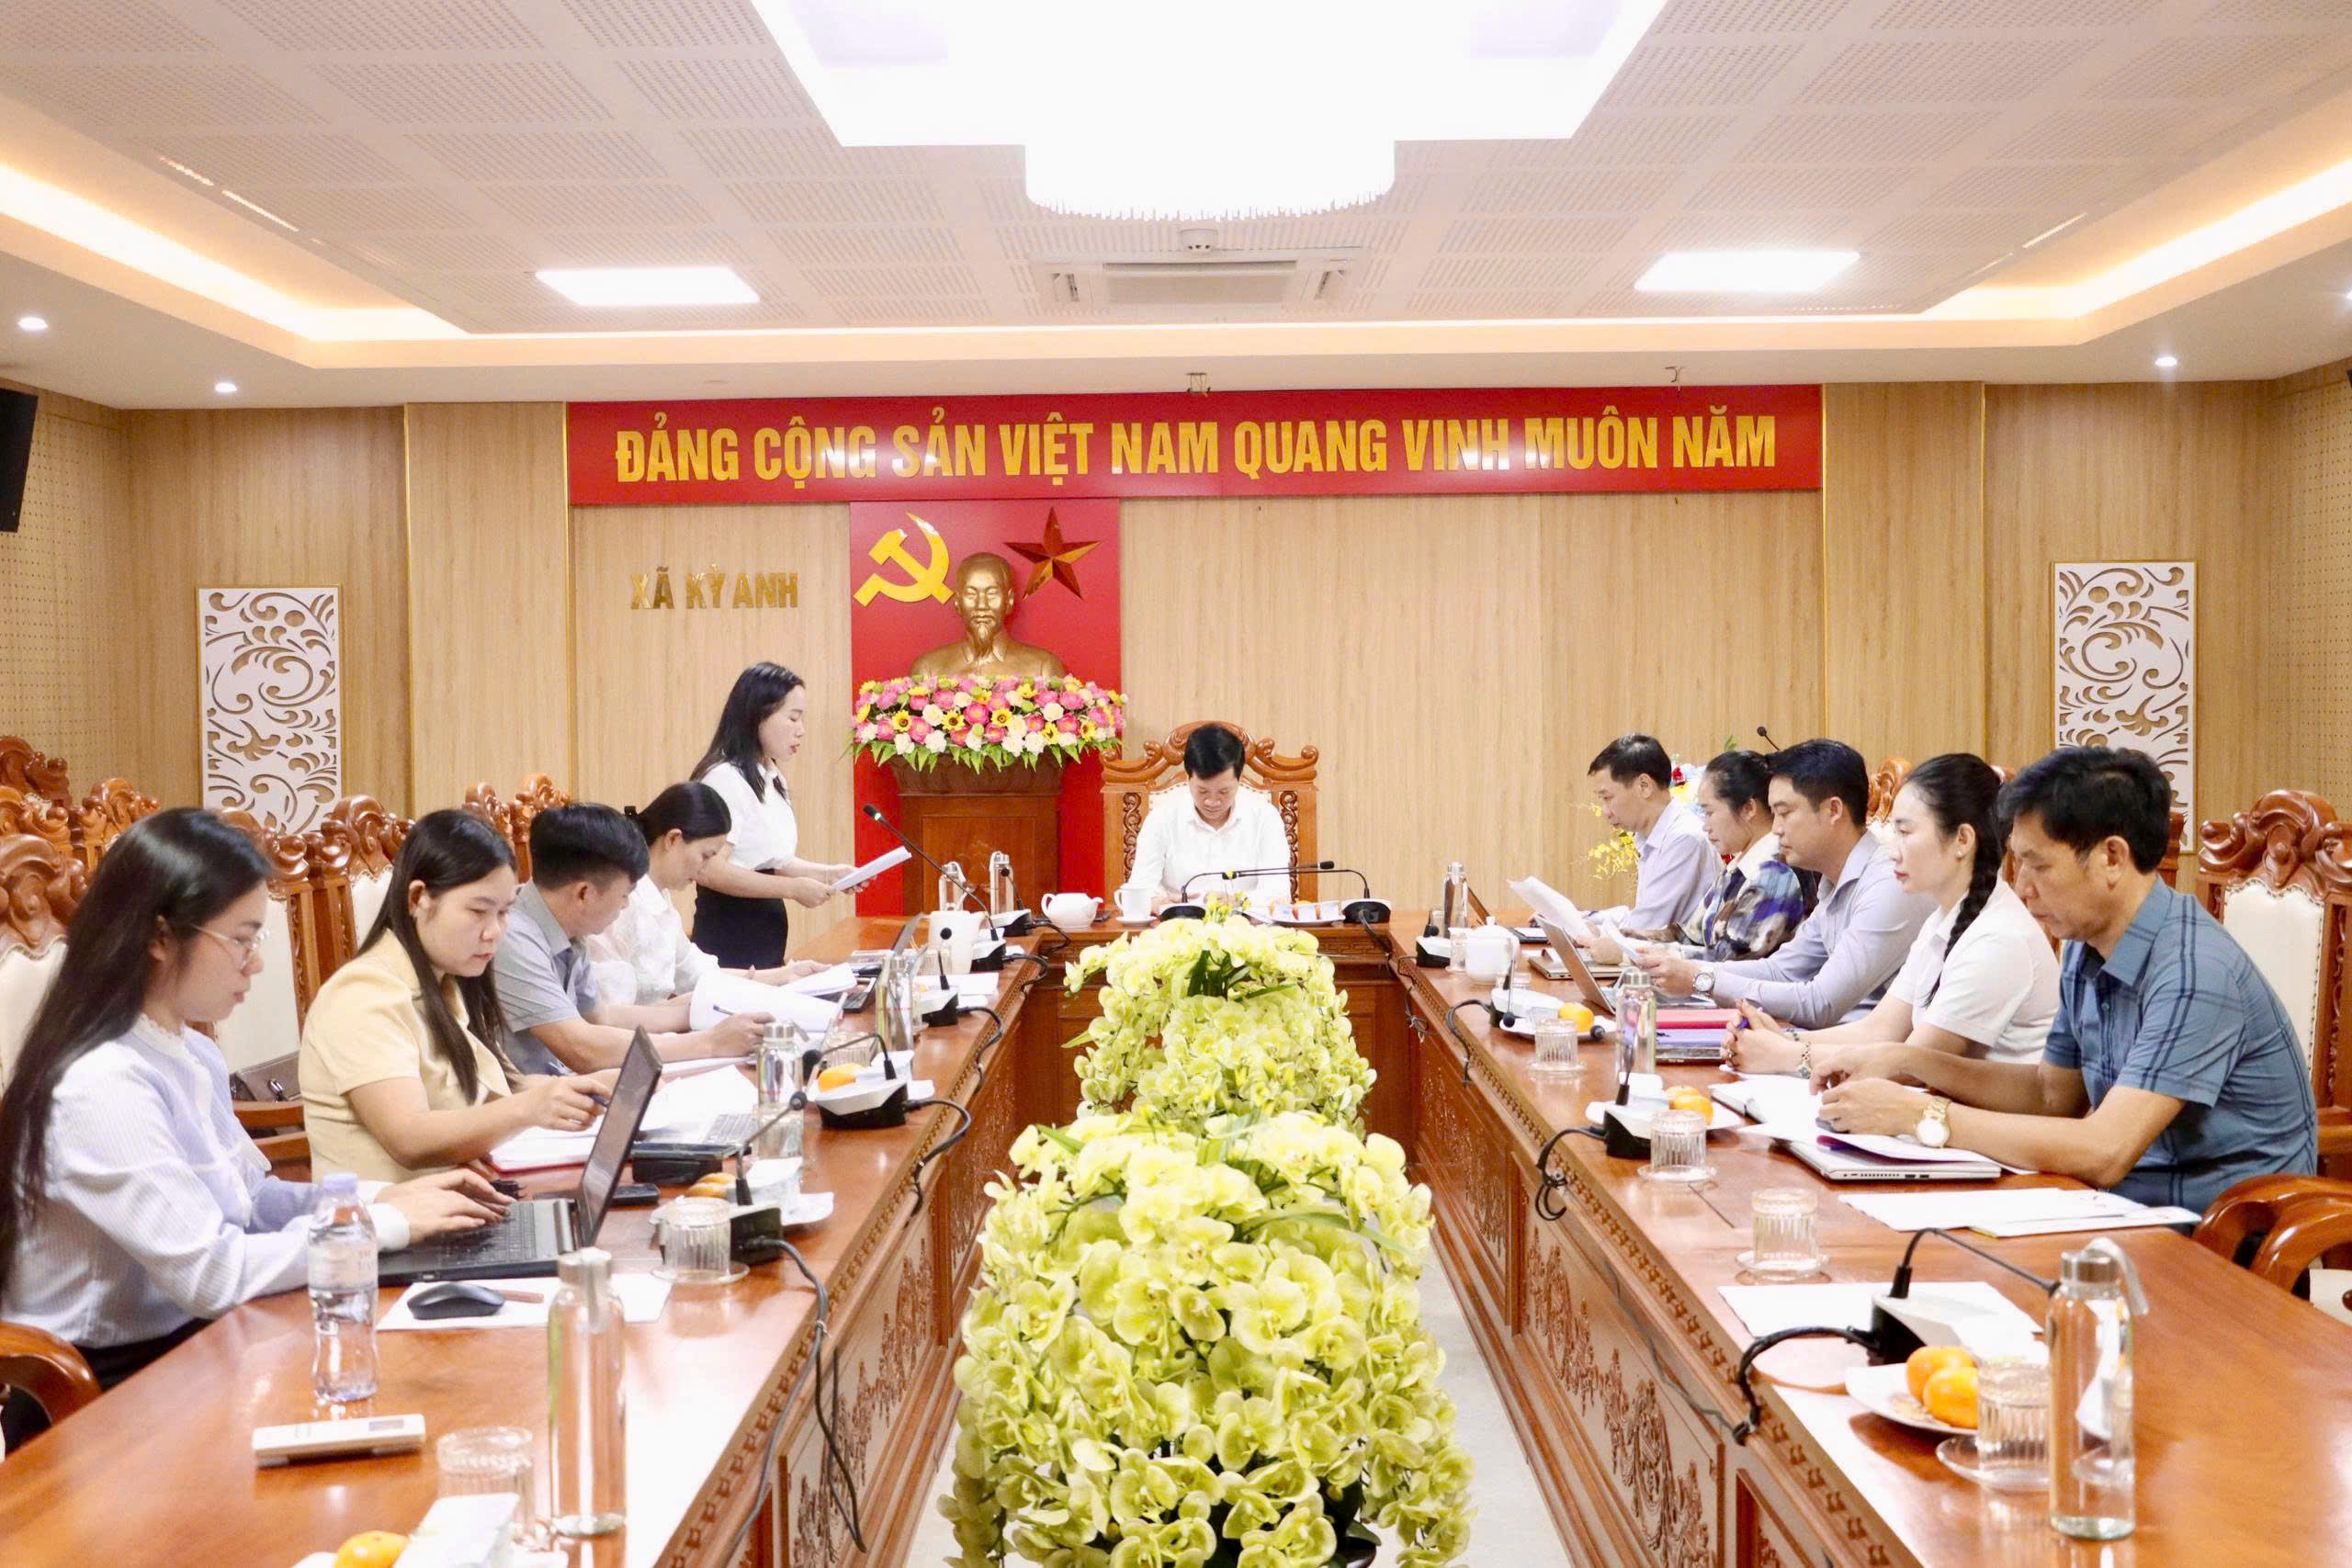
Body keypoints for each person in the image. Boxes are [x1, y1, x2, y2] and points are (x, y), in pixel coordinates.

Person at [0, 810, 506, 1447]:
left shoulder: (188, 1049)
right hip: (105, 1393)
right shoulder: (101, 1083)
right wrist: (382, 1226)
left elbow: (254, 1199)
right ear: (160, 936)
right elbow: (210, 1273)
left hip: (196, 1346)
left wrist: (384, 1198)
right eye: (242, 939)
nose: (257, 963)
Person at [1817, 748, 2317, 1212]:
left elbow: (2106, 1150)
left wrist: (1920, 1117)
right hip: (2121, 1205)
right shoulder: (2086, 941)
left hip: (2221, 1232)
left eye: (2038, 866)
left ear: (2112, 858)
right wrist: (1908, 1061)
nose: (2021, 887)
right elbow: (2051, 1095)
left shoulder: (2193, 969)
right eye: (2017, 862)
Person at [300, 809, 616, 1184]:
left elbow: (497, 1091)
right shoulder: (361, 996)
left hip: (460, 1197)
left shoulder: (447, 982)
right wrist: (530, 1107)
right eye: (478, 911)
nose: (494, 932)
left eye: (504, 913)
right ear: (418, 898)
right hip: (387, 1214)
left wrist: (591, 1089)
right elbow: (409, 1138)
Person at [1728, 753, 2059, 1076]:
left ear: (1962, 839)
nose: (1893, 852)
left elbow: (1914, 1064)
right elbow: (1878, 1031)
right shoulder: (1942, 919)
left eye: (1905, 832)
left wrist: (1787, 1054)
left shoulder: (1996, 938)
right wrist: (1780, 1040)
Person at [1634, 739, 1931, 1027]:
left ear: (1833, 810)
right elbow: (1782, 970)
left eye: (1785, 813)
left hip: (1855, 1049)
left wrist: (1701, 980)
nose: (1775, 829)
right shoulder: (1834, 883)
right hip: (1822, 1042)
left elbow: (1821, 1003)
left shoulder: (1887, 884)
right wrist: (1688, 971)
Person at [494, 803, 774, 1074]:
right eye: (625, 895)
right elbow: (582, 1049)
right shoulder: (513, 938)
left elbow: (601, 1017)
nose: (626, 905)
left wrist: (704, 1010)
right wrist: (709, 1043)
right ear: (584, 893)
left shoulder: (566, 924)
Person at [583, 782, 830, 1009]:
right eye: (705, 855)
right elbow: (610, 1014)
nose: (706, 867)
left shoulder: (660, 898)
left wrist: (784, 975)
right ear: (673, 839)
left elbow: (698, 973)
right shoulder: (620, 903)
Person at [691, 662, 865, 969]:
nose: (801, 730)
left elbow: (770, 862)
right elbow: (709, 870)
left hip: (765, 936)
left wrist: (829, 874)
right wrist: (793, 890)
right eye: (793, 718)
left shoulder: (770, 775)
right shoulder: (725, 778)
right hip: (731, 935)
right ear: (757, 715)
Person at [1588, 749, 1811, 967]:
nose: (1705, 825)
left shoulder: (1776, 873)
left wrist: (1628, 953)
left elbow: (1728, 959)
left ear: (1748, 809)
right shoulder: (1738, 867)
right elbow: (1686, 936)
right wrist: (1619, 939)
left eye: (1710, 812)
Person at [1119, 723, 1292, 914]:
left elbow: (1279, 893)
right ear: (1188, 779)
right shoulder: (1161, 819)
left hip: (1247, 926)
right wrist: (1162, 903)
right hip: (1179, 926)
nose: (1212, 801)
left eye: (1224, 791)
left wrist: (1238, 901)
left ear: (1239, 780)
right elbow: (1141, 888)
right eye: (1202, 791)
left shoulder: (1265, 818)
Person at [1587, 734, 1715, 935]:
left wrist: (1589, 931)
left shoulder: (1684, 839)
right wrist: (1581, 918)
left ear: (1644, 786)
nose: (1605, 812)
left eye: (1607, 797)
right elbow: (1640, 914)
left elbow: (1646, 927)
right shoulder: (1651, 836)